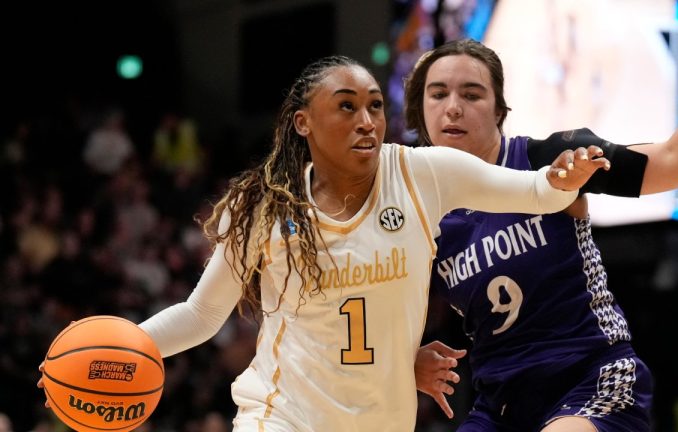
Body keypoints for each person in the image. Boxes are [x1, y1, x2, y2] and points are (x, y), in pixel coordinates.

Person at [39, 55, 606, 431]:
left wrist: (562, 179)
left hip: (381, 419)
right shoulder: (263, 203)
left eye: (375, 107)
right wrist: (117, 354)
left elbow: (536, 192)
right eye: (346, 107)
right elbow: (202, 312)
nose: (367, 121)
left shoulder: (422, 172)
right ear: (303, 123)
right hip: (280, 414)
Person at [406, 0, 678, 430]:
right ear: (422, 112)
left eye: (471, 94)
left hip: (591, 378)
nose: (453, 107)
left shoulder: (549, 159)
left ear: (499, 111)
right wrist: (406, 358)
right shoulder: (419, 210)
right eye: (439, 94)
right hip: (501, 402)